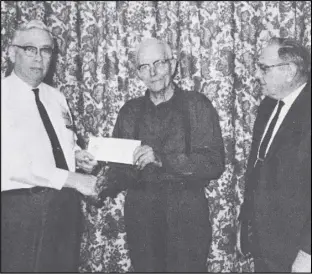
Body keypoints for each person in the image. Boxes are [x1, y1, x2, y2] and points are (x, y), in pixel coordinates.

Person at [99, 38, 225, 272]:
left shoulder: (197, 105)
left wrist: (162, 160)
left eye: (159, 63)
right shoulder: (129, 111)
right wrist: (99, 176)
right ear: (137, 73)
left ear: (173, 64)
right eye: (144, 66)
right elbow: (119, 169)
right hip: (141, 216)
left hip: (186, 214)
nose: (153, 72)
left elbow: (214, 163)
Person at [1, 20, 99, 272]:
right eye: (30, 49)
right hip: (21, 210)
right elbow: (12, 164)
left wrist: (78, 156)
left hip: (64, 206)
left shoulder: (56, 97)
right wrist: (74, 179)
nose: (39, 58)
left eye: (45, 50)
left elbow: (64, 144)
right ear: (12, 53)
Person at [238, 37, 311, 272]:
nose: (257, 75)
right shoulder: (268, 106)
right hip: (264, 243)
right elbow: (256, 169)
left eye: (264, 68)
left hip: (297, 248)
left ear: (289, 71)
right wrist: (245, 223)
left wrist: (308, 252)